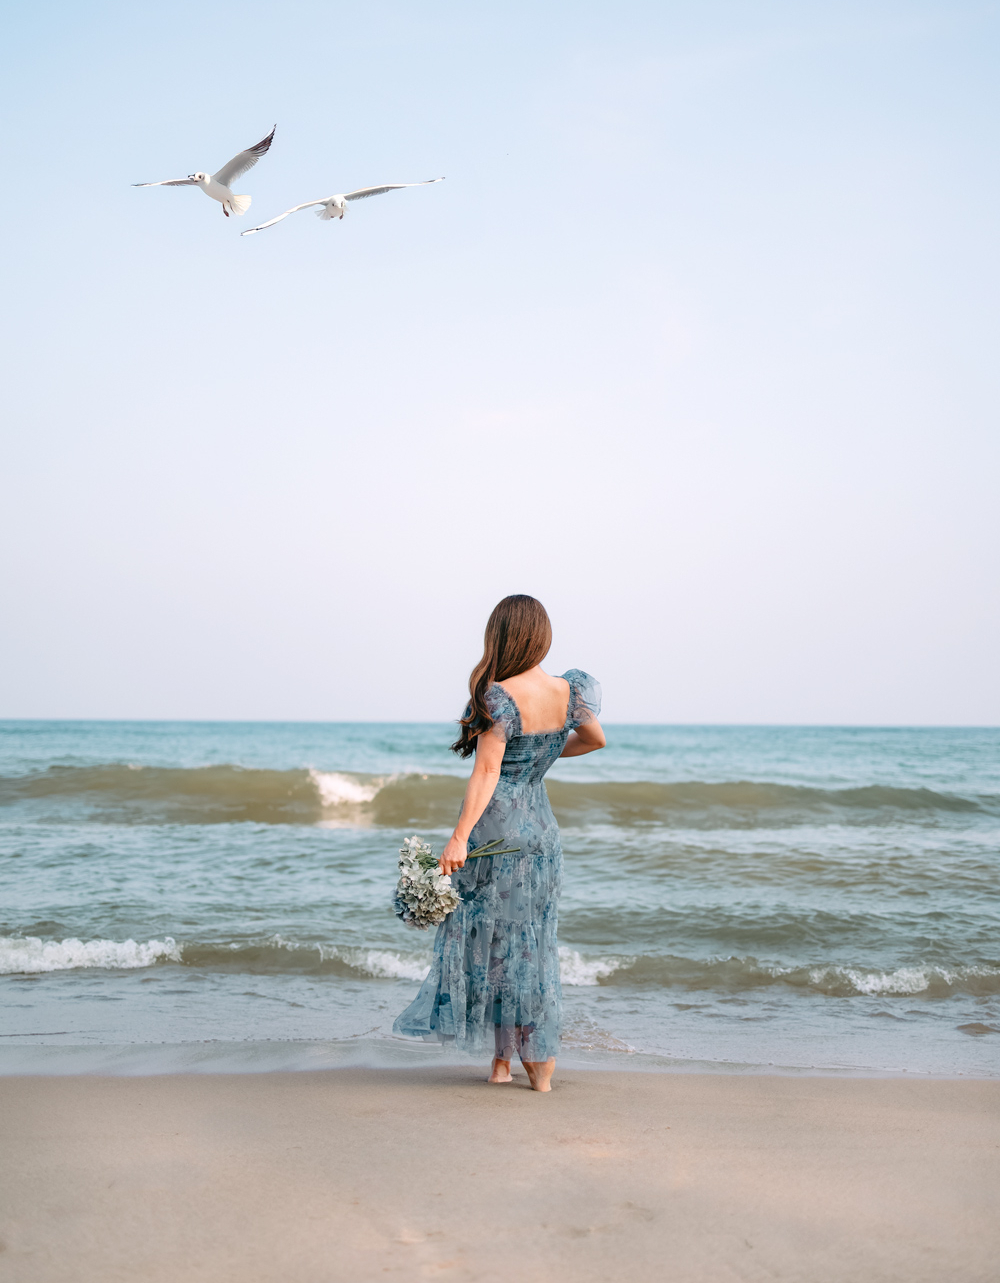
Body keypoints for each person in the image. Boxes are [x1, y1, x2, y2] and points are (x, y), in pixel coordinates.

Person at [393, 594, 605, 1091]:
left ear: (502, 635)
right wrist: (544, 758)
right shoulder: (568, 692)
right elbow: (594, 739)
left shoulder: (498, 696)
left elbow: (488, 770)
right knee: (531, 941)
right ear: (541, 634)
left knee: (494, 945)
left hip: (499, 831)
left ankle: (532, 1061)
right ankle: (503, 1063)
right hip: (542, 831)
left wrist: (458, 837)